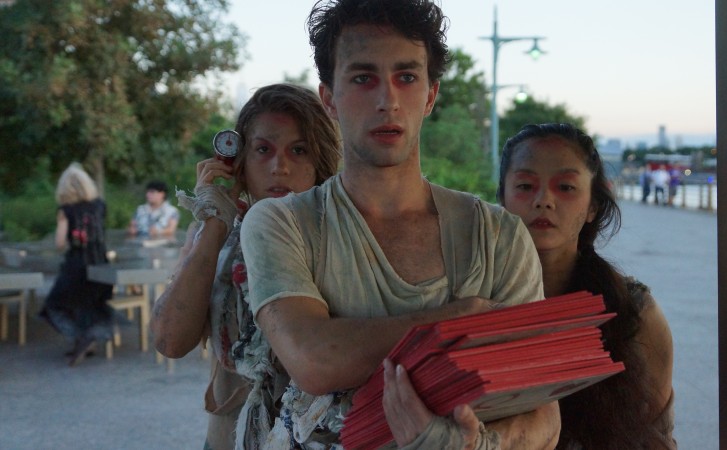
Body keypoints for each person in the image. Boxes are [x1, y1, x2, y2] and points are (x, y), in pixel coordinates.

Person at [238, 1, 560, 448]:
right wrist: (459, 321)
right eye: (363, 78)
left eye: (406, 77)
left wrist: (468, 445)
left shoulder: (498, 235)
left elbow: (542, 410)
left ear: (430, 95)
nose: (387, 100)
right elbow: (313, 359)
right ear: (328, 98)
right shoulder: (283, 222)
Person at [150, 83, 342, 450]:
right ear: (239, 160)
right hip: (227, 440)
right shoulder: (213, 234)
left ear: (319, 161)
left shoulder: (338, 236)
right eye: (263, 150)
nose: (279, 166)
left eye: (298, 150)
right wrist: (214, 224)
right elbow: (170, 340)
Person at [497, 123, 676, 449]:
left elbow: (657, 436)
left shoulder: (633, 311)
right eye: (525, 185)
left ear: (593, 205)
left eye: (565, 187)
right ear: (502, 199)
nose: (543, 200)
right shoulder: (473, 300)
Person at [39, 162, 114, 366]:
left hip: (78, 265)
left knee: (54, 306)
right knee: (89, 304)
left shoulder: (66, 210)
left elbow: (60, 243)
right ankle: (86, 343)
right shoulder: (100, 205)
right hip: (102, 266)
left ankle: (81, 337)